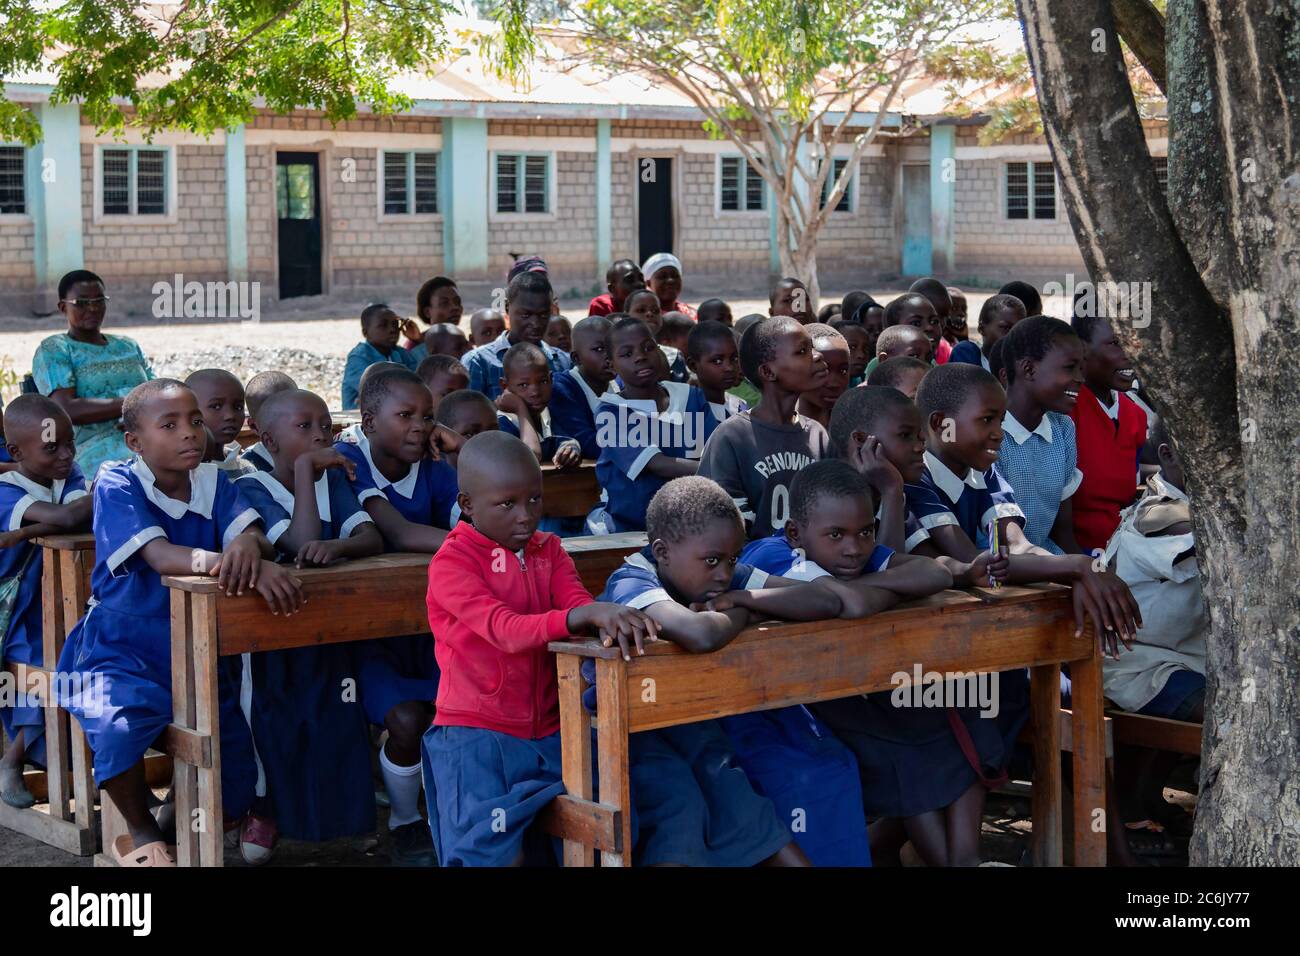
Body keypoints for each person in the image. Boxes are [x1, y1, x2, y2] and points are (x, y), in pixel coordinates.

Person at [57, 379, 303, 866]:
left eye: (194, 420)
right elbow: (159, 554)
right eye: (168, 425)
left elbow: (251, 533)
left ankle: (169, 825)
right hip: (121, 649)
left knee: (232, 777)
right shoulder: (116, 481)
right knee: (115, 729)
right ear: (136, 442)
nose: (189, 433)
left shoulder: (215, 481)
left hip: (199, 652)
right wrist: (231, 560)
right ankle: (142, 831)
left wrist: (251, 550)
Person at [421, 431, 658, 866]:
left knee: (604, 832)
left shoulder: (549, 549)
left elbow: (577, 601)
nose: (526, 516)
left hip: (553, 728)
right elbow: (504, 629)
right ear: (468, 504)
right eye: (507, 504)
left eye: (534, 499)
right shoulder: (453, 562)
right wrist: (581, 618)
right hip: (478, 736)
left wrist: (602, 618)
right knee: (488, 855)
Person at [598, 475, 849, 865]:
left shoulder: (725, 580)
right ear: (662, 551)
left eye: (734, 559)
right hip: (627, 736)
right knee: (680, 812)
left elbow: (826, 600)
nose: (724, 573)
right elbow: (698, 634)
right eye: (713, 561)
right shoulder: (632, 581)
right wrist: (745, 612)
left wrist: (744, 598)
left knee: (752, 812)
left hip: (690, 725)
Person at [734, 461, 952, 865]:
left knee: (944, 734)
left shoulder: (847, 555)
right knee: (898, 755)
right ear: (795, 533)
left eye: (866, 532)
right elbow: (850, 604)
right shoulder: (773, 555)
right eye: (837, 535)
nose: (854, 548)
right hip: (761, 708)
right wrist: (870, 591)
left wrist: (861, 588)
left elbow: (934, 574)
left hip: (826, 692)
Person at [234, 388, 382, 862]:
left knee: (335, 720)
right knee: (278, 725)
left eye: (325, 425)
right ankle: (271, 818)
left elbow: (369, 535)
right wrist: (303, 472)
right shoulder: (249, 483)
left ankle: (341, 825)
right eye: (305, 427)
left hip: (328, 627)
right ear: (268, 438)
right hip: (270, 633)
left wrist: (339, 548)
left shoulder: (331, 476)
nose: (321, 434)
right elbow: (298, 542)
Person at [333, 367, 460, 863]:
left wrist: (457, 454)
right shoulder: (348, 460)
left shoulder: (434, 467)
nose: (419, 427)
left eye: (427, 417)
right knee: (407, 720)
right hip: (366, 631)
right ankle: (407, 823)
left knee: (449, 716)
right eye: (404, 415)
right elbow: (399, 533)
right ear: (367, 421)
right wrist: (475, 546)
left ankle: (447, 814)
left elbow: (473, 514)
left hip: (432, 626)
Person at [0, 396, 90, 809]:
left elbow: (81, 508)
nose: (67, 455)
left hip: (66, 602)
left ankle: (79, 764)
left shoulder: (65, 477)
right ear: (16, 452)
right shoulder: (6, 492)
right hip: (17, 612)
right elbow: (70, 518)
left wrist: (23, 533)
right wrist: (111, 488)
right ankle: (13, 760)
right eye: (52, 448)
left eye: (71, 444)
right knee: (42, 670)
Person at [697, 316, 829, 540]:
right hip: (755, 562)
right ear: (768, 372)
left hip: (812, 559)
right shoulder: (732, 437)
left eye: (813, 347)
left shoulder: (818, 435)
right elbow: (723, 527)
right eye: (802, 351)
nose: (818, 355)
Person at [585, 317, 716, 534]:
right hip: (629, 527)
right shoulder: (610, 412)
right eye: (627, 354)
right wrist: (718, 470)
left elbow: (714, 451)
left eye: (648, 348)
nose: (640, 357)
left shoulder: (691, 396)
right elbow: (658, 464)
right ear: (611, 365)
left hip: (692, 521)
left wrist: (719, 465)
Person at [31, 269, 154, 476]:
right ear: (63, 307)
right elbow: (66, 409)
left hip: (148, 434)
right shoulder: (56, 348)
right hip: (95, 447)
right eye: (81, 302)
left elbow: (156, 392)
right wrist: (130, 406)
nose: (93, 308)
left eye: (99, 300)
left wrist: (142, 414)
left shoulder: (128, 346)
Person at [994, 316, 1087, 555]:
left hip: (1048, 558)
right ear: (1029, 369)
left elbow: (1062, 528)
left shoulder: (1062, 428)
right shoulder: (990, 434)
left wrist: (1087, 571)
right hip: (1001, 565)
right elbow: (1000, 543)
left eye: (1081, 368)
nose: (1080, 378)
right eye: (1070, 367)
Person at [1069, 313, 1148, 555]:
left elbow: (1128, 494)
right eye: (1115, 343)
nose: (1130, 353)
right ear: (1082, 348)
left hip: (1124, 546)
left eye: (1134, 341)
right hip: (1073, 552)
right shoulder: (1066, 411)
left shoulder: (1134, 414)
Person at [464, 272, 571, 401]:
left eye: (543, 315)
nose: (535, 324)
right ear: (507, 307)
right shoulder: (479, 362)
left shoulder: (563, 361)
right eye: (526, 315)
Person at [494, 343, 583, 469]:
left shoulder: (548, 412)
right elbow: (532, 456)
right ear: (505, 386)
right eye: (523, 385)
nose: (535, 392)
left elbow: (554, 442)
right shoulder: (502, 423)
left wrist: (570, 448)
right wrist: (520, 409)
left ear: (551, 379)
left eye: (543, 381)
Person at [549, 315, 615, 460]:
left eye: (613, 347)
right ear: (576, 358)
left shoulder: (620, 383)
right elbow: (587, 443)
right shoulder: (562, 387)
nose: (610, 355)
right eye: (599, 349)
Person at [343, 304, 419, 410]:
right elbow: (378, 392)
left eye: (395, 324)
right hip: (361, 421)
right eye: (383, 325)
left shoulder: (400, 353)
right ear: (366, 333)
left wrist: (417, 340)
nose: (392, 329)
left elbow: (422, 380)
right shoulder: (358, 357)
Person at [185, 369, 249, 472]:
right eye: (216, 406)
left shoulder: (247, 468)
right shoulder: (186, 476)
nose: (230, 416)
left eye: (238, 407)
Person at [686, 320, 745, 422]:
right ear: (693, 365)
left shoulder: (740, 405)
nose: (729, 367)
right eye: (717, 361)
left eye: (734, 358)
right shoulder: (688, 413)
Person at [950, 293, 1026, 371]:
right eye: (1006, 327)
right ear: (982, 329)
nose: (1014, 335)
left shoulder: (1024, 365)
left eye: (1019, 329)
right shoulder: (967, 353)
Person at [796, 323, 850, 430]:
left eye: (843, 371)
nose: (834, 384)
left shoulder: (855, 428)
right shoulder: (772, 427)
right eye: (822, 370)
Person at [240, 371, 296, 473]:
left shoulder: (316, 451)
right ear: (255, 427)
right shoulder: (248, 467)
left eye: (296, 410)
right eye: (278, 417)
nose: (291, 421)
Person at [403, 276, 463, 361]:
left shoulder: (461, 340)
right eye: (444, 303)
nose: (455, 308)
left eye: (457, 302)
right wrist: (420, 343)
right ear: (427, 312)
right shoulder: (414, 347)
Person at [641, 252, 695, 320]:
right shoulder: (646, 318)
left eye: (675, 276)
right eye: (662, 277)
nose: (670, 280)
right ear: (648, 283)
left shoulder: (692, 314)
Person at [831, 319, 871, 387]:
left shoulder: (868, 384)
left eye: (866, 348)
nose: (861, 355)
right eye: (852, 347)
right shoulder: (817, 388)